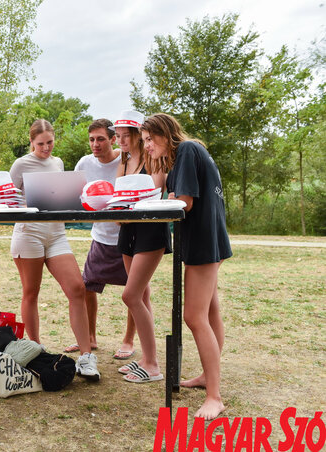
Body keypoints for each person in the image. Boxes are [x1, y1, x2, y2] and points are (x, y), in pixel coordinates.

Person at [141, 113, 232, 419]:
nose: (147, 146)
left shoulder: (189, 149)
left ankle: (214, 397)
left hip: (204, 242)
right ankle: (210, 376)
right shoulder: (178, 159)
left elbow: (185, 202)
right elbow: (178, 195)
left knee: (193, 316)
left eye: (150, 139)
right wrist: (167, 188)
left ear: (166, 134)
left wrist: (169, 196)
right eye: (144, 141)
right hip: (207, 239)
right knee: (209, 311)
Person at [9, 118, 100, 381]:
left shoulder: (58, 163)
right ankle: (36, 350)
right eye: (41, 144)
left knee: (77, 289)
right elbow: (8, 197)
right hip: (29, 234)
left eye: (50, 142)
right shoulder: (21, 164)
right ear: (31, 142)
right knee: (31, 292)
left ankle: (86, 357)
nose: (46, 148)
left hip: (57, 233)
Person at [113, 110, 171, 384]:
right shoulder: (122, 163)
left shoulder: (154, 159)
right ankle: (148, 358)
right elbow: (117, 197)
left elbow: (154, 194)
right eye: (119, 135)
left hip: (149, 230)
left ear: (138, 135)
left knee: (130, 295)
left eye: (126, 134)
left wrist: (125, 207)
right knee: (142, 295)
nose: (121, 139)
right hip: (127, 230)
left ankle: (153, 365)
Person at [66, 119, 129, 358]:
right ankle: (90, 338)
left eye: (101, 139)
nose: (95, 144)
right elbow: (74, 194)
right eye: (92, 139)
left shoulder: (126, 159)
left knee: (134, 292)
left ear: (113, 139)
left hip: (126, 236)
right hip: (100, 237)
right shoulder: (84, 163)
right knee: (87, 288)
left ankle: (128, 341)